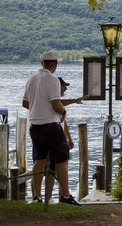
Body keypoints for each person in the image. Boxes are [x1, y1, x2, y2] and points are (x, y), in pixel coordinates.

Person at [22, 50, 81, 206]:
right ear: (55, 64)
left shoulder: (32, 79)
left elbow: (25, 104)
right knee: (61, 160)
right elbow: (56, 104)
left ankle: (37, 196)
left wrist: (38, 107)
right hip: (50, 126)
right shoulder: (53, 79)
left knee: (39, 159)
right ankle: (66, 195)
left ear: (42, 63)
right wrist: (63, 111)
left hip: (35, 126)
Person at [44, 77, 88, 202]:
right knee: (51, 169)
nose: (66, 88)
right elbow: (60, 106)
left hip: (60, 137)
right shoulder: (53, 102)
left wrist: (69, 138)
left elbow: (64, 122)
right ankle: (49, 198)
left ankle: (61, 195)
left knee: (58, 167)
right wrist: (74, 101)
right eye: (64, 86)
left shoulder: (57, 103)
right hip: (53, 137)